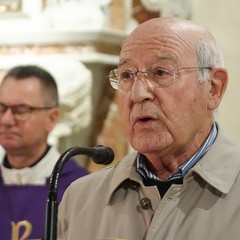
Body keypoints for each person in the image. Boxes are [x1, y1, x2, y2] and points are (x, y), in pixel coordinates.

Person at [57, 17, 240, 240]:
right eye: (126, 75)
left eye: (161, 73)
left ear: (213, 88)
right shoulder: (80, 200)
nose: (137, 94)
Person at [0, 65, 89, 240]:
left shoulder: (81, 189)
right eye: (2, 108)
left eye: (21, 110)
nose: (6, 120)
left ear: (52, 118)